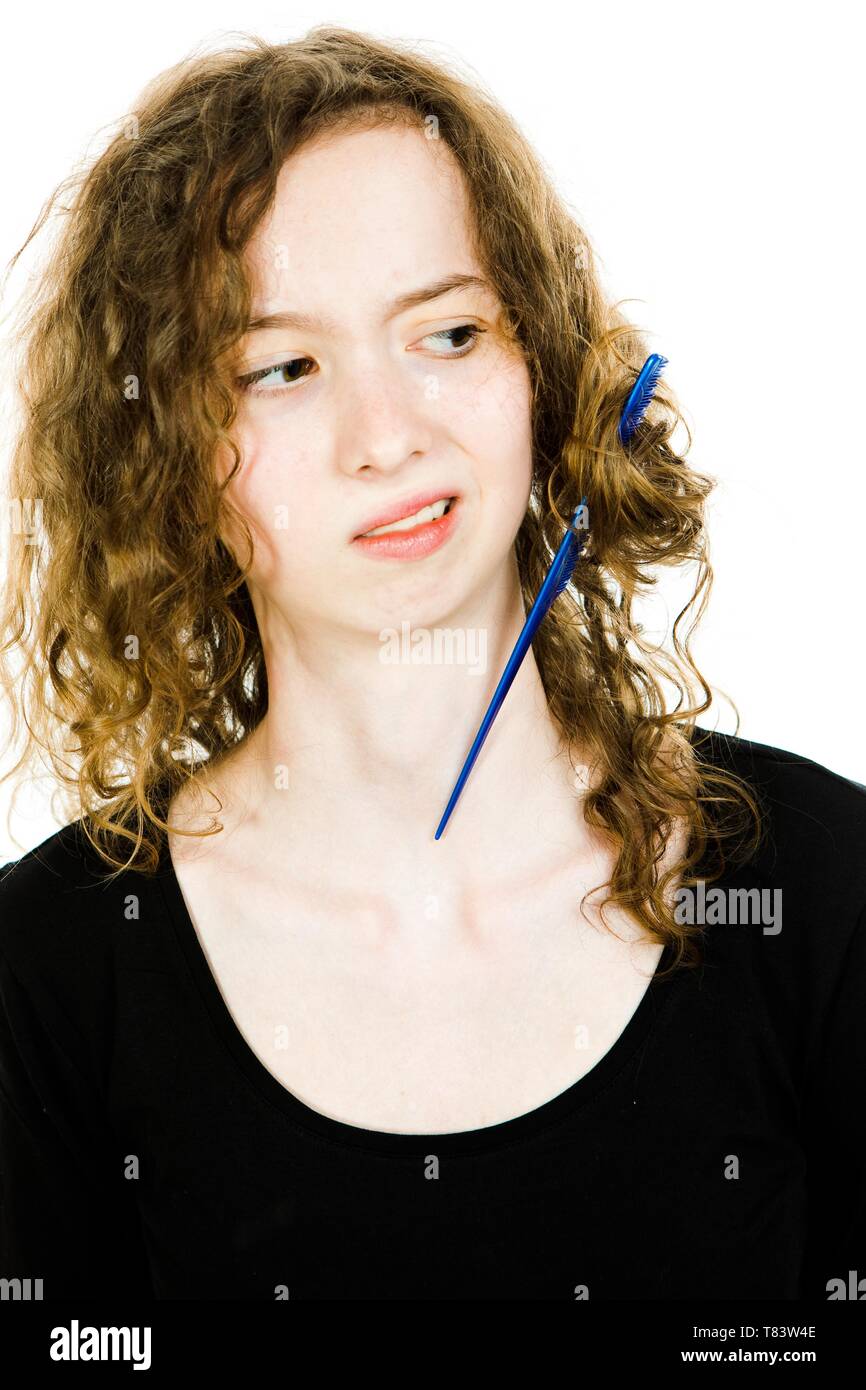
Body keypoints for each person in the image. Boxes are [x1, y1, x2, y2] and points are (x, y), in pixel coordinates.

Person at [0, 27, 863, 1302]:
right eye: (280, 368)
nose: (386, 435)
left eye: (448, 335)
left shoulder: (821, 889)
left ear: (540, 370)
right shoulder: (47, 977)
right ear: (165, 456)